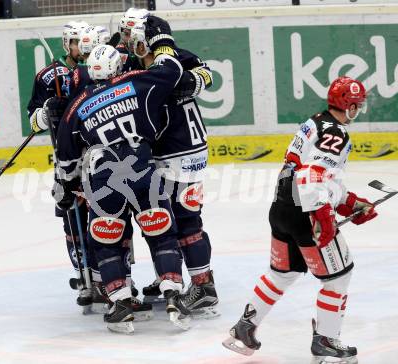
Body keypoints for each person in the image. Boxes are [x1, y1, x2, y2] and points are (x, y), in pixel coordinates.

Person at [223, 76, 377, 364]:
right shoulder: (337, 133)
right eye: (357, 105)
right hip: (306, 213)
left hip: (282, 208)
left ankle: (245, 326)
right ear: (349, 105)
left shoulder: (315, 122)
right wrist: (324, 217)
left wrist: (348, 203)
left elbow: (311, 174)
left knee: (283, 274)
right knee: (338, 278)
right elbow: (312, 176)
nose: (359, 110)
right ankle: (326, 342)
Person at [54, 16, 191, 334]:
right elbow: (172, 71)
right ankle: (173, 295)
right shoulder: (137, 82)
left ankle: (120, 305)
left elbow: (66, 157)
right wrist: (161, 42)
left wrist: (69, 184)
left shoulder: (78, 105)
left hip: (104, 182)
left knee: (107, 241)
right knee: (162, 234)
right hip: (144, 170)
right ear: (117, 69)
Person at [128, 20, 219, 318]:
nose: (129, 42)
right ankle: (171, 276)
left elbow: (204, 77)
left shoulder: (165, 66)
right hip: (189, 150)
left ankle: (203, 287)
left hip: (175, 154)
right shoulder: (179, 58)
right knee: (171, 220)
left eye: (133, 36)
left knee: (181, 221)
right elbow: (205, 75)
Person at [27, 20, 101, 311]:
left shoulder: (102, 67)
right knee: (73, 219)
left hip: (101, 155)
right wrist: (46, 114)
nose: (83, 49)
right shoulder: (49, 76)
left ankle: (113, 276)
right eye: (77, 43)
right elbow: (32, 118)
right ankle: (83, 277)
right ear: (67, 43)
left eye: (87, 43)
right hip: (68, 159)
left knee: (108, 218)